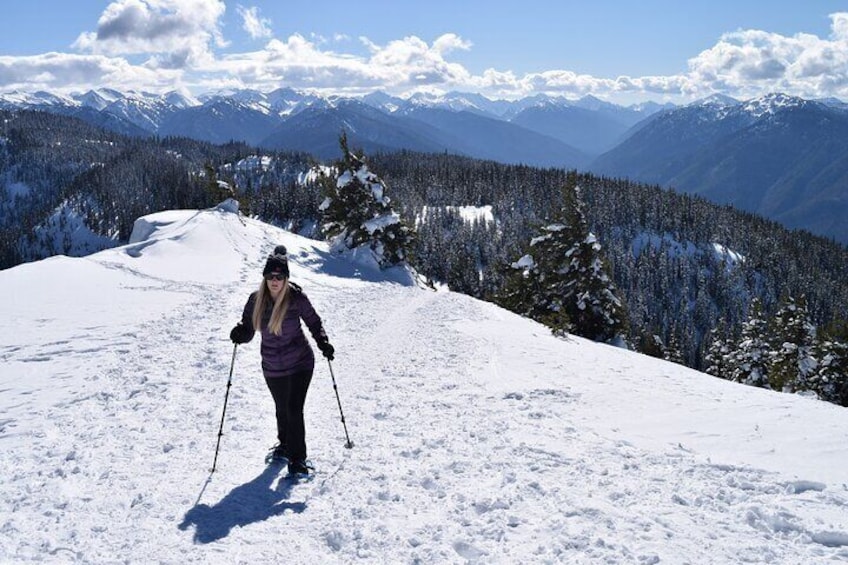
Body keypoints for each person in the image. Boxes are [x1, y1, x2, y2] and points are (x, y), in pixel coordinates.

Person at [229, 245, 335, 476]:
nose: (274, 280)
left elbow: (314, 322)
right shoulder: (256, 300)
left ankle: (298, 460)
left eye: (279, 276)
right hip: (272, 366)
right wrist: (239, 333)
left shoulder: (296, 298)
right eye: (270, 276)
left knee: (294, 408)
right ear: (265, 277)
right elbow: (248, 330)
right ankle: (285, 444)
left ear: (286, 278)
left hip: (300, 363)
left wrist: (323, 343)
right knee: (282, 409)